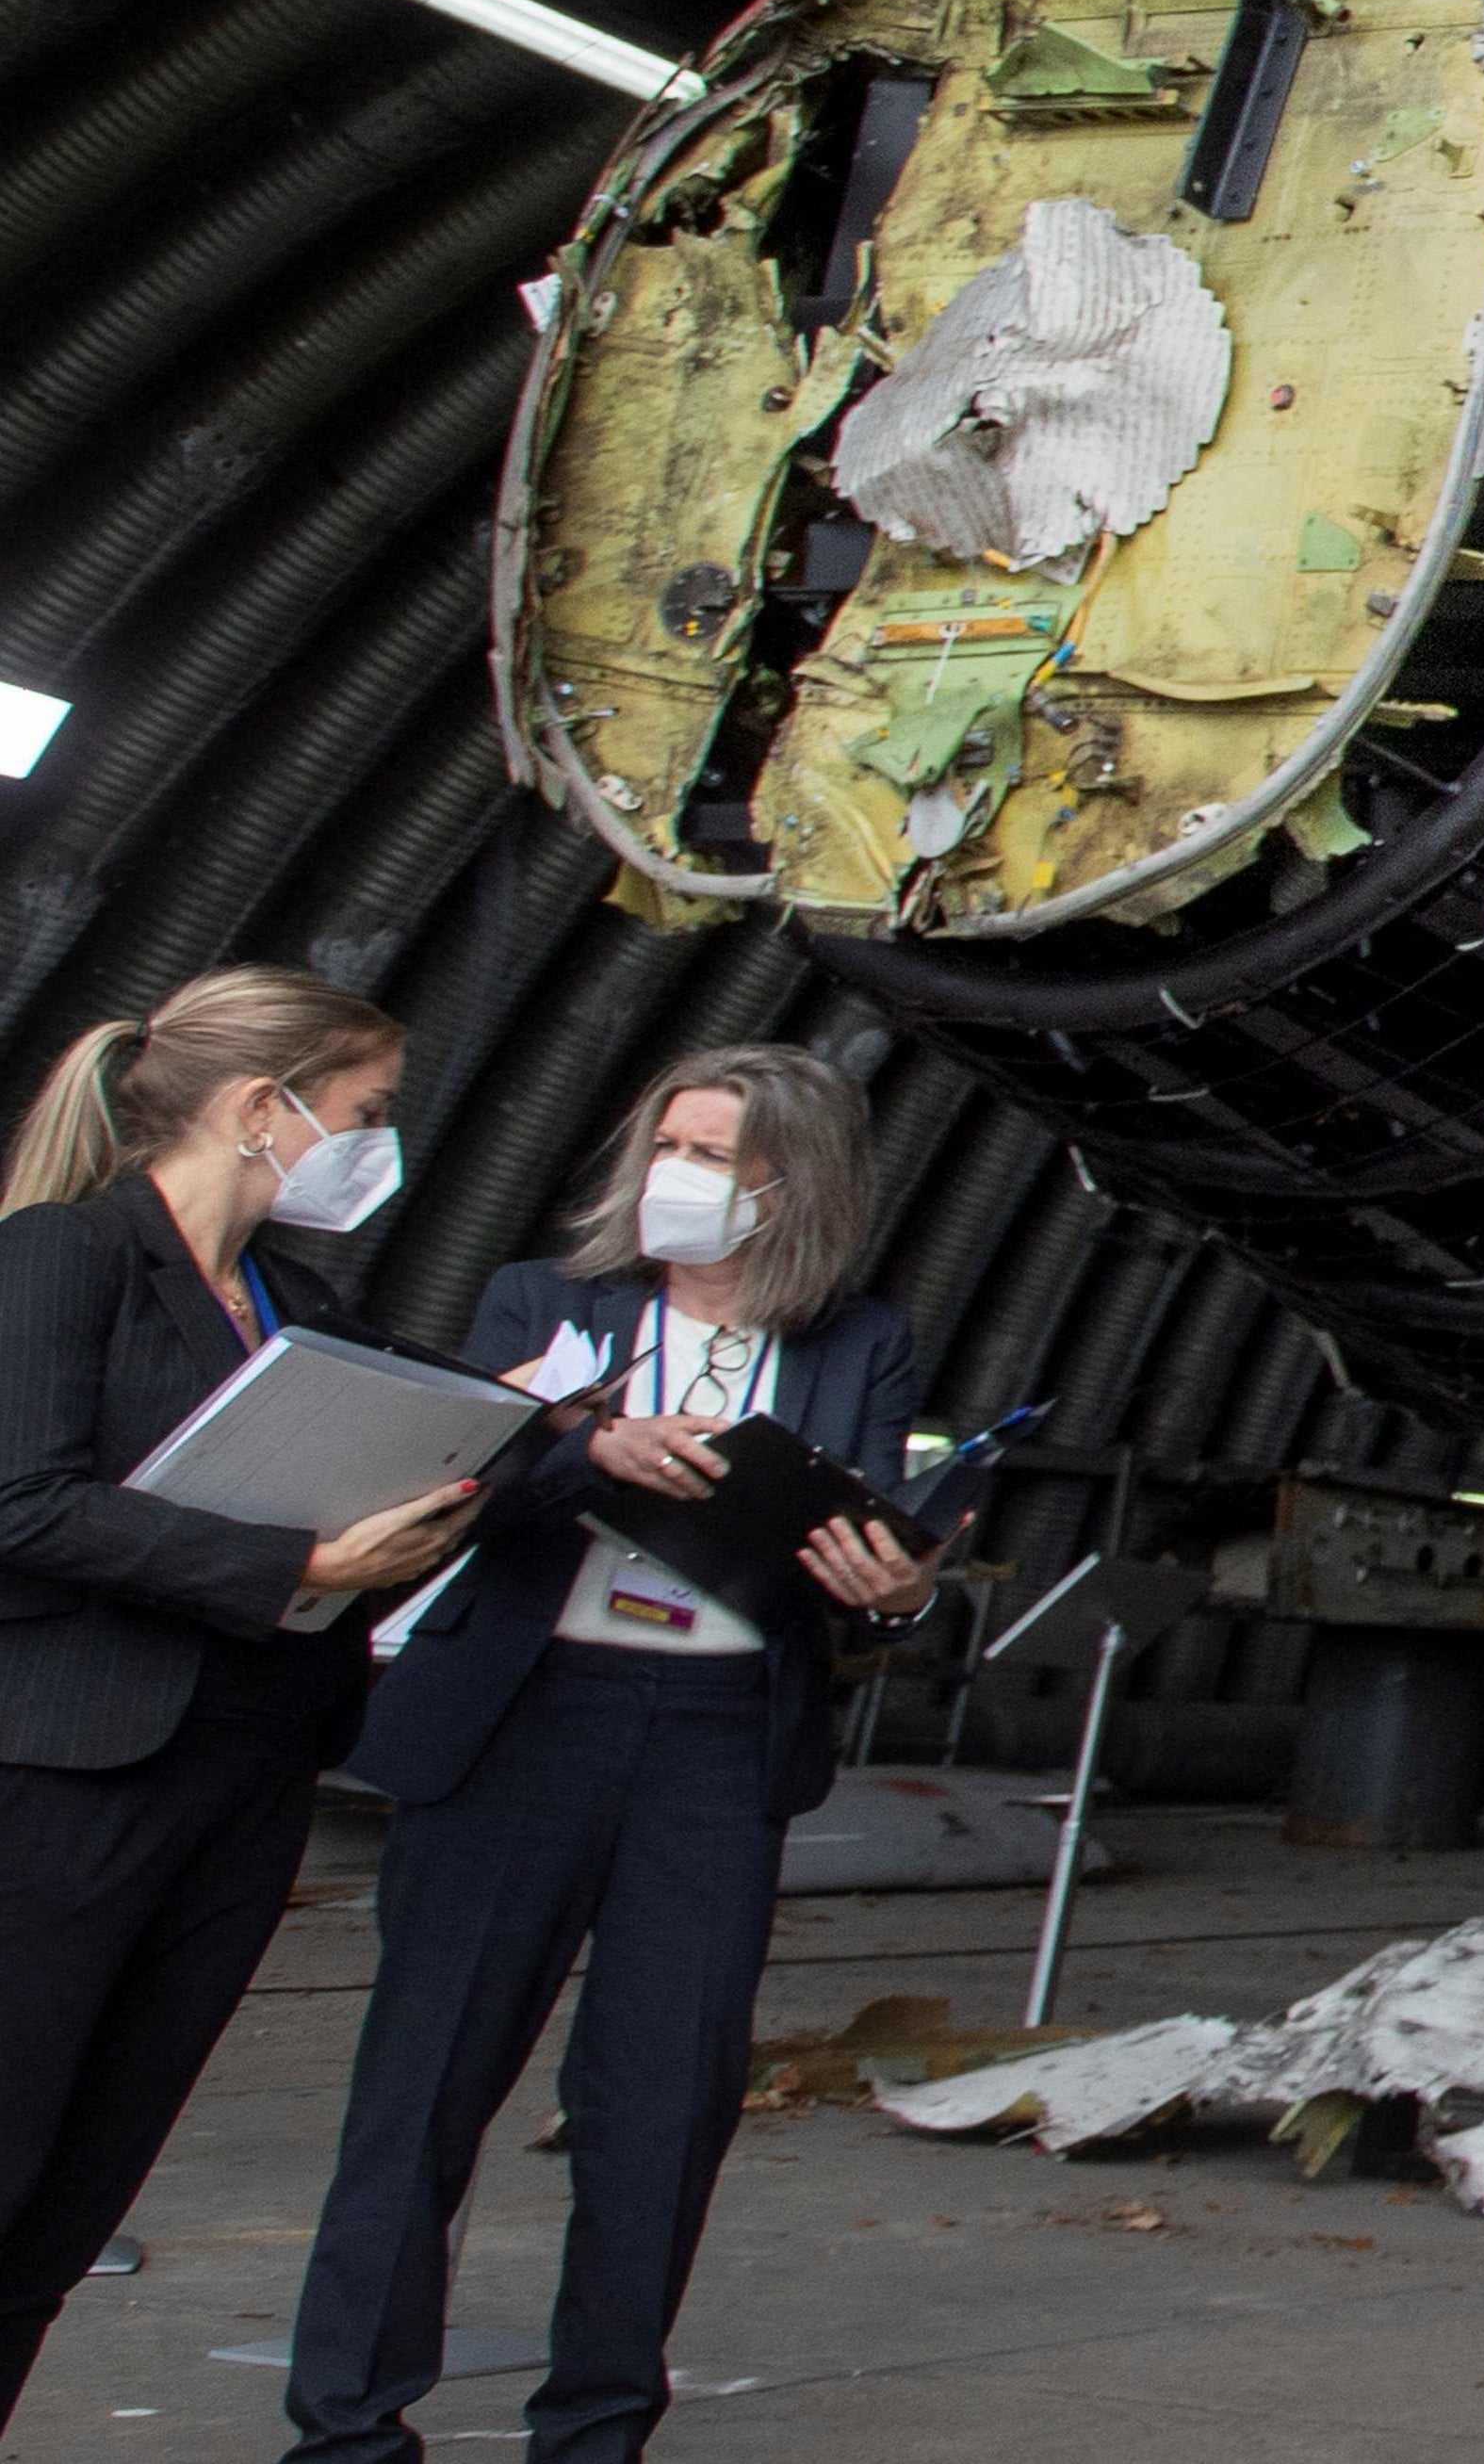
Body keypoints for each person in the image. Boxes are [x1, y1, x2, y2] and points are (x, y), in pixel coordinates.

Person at [284, 1042, 947, 2464]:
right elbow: (458, 1490)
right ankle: (346, 2425)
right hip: (530, 1715)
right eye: (669, 1148)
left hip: (715, 1739)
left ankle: (595, 2428)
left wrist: (901, 1587)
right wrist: (589, 1456)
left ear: (794, 1190)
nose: (678, 1180)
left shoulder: (858, 1339)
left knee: (664, 2095)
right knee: (426, 2080)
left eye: (715, 1158)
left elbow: (876, 1520)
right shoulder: (547, 1302)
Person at [0, 965, 481, 2428]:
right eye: (361, 1111)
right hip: (69, 1779)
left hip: (241, 1779)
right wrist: (299, 1559)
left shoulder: (298, 1302)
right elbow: (19, 1502)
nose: (373, 1145)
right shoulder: (64, 1255)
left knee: (78, 2186)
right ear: (259, 1109)